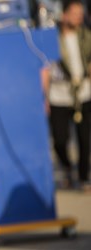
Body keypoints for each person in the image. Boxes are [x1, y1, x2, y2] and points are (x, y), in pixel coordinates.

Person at [46, 0, 91, 191]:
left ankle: (83, 177)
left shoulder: (86, 36)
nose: (78, 17)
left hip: (83, 93)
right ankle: (66, 167)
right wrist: (44, 97)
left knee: (84, 139)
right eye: (74, 13)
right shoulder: (51, 37)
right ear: (64, 14)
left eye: (80, 14)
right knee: (60, 140)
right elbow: (45, 68)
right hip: (59, 95)